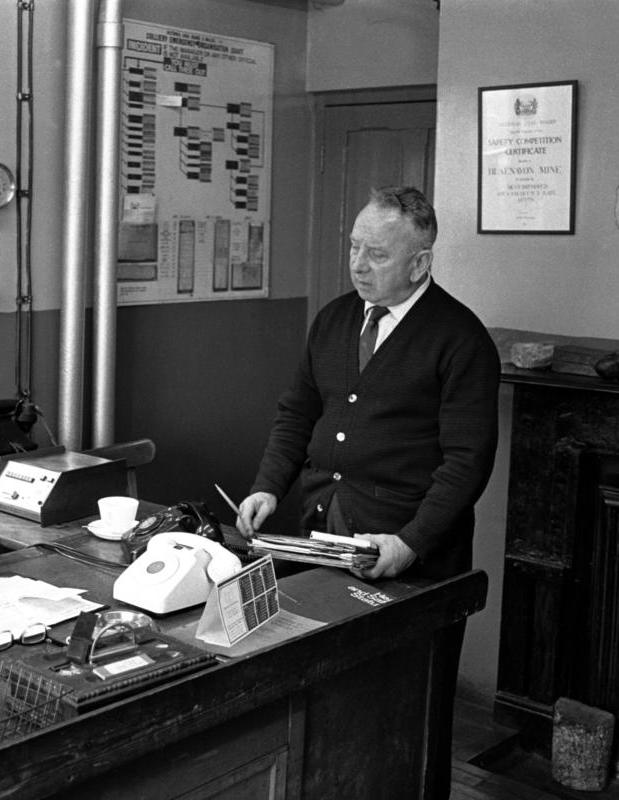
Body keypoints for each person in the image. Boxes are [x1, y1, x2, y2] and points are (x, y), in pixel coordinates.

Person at [235, 185, 499, 799]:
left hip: (406, 553)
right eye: (353, 247)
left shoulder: (460, 339)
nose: (357, 265)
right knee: (321, 696)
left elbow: (467, 462)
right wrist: (268, 487)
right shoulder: (333, 319)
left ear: (421, 263)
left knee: (401, 707)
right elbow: (296, 414)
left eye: (376, 254)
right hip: (320, 528)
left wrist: (411, 543)